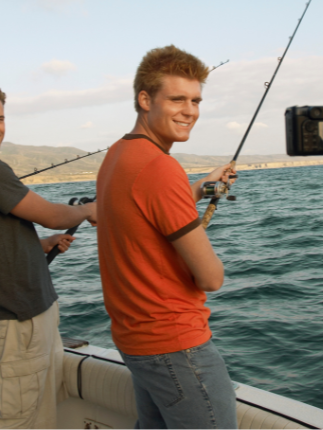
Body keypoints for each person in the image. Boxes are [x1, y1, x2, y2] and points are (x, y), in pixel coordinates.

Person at [96, 45, 238, 429]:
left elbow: (145, 211)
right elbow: (211, 278)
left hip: (137, 342)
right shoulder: (161, 167)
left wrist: (200, 187)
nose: (189, 110)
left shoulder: (117, 156)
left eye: (195, 100)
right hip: (177, 344)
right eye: (177, 98)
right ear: (145, 99)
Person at [0, 83, 95, 429]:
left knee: (39, 415)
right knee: (21, 420)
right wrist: (87, 209)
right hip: (22, 318)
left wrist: (42, 244)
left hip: (23, 315)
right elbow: (53, 214)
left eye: (0, 118)